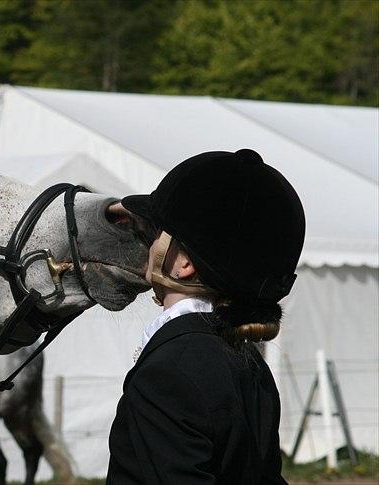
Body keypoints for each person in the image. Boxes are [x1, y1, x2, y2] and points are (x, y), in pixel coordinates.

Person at [106, 149, 305, 484]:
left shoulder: (169, 373)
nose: (146, 241)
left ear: (183, 263)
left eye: (153, 232)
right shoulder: (249, 363)